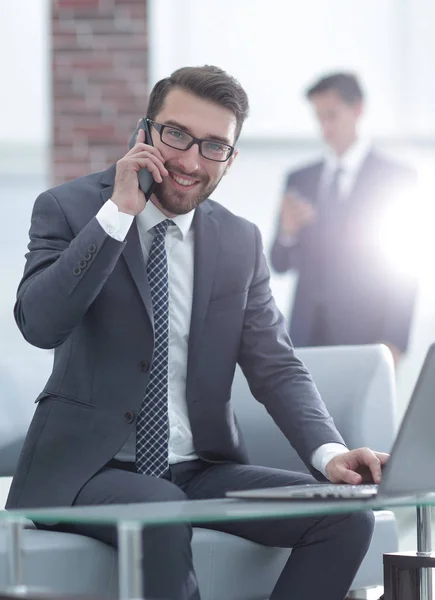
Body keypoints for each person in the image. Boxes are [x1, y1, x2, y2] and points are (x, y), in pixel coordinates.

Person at [7, 65, 388, 600]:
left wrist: (330, 453)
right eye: (177, 135)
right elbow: (39, 324)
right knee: (161, 510)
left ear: (230, 159)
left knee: (345, 517)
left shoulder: (239, 241)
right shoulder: (71, 209)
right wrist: (117, 214)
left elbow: (275, 364)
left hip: (198, 469)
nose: (189, 161)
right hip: (87, 471)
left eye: (214, 146)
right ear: (144, 132)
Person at [270, 72, 417, 366]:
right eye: (318, 117)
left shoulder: (397, 179)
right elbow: (280, 263)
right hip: (306, 335)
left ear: (358, 109)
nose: (324, 126)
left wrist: (395, 339)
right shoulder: (300, 179)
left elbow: (406, 266)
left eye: (332, 115)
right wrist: (287, 232)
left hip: (368, 332)